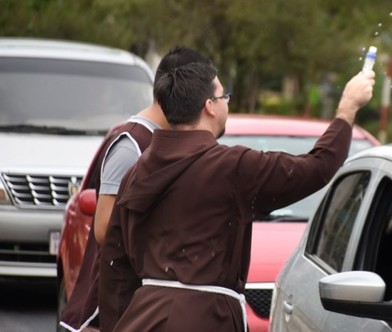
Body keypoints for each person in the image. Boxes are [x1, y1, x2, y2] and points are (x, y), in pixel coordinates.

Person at [98, 48, 375, 331]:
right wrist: (347, 108)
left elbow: (115, 266)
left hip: (140, 319)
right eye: (224, 97)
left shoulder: (137, 171)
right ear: (209, 106)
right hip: (207, 320)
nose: (226, 104)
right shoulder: (232, 167)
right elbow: (318, 167)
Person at [59, 46, 211, 332]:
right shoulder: (131, 143)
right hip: (111, 307)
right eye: (211, 96)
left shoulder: (166, 140)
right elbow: (105, 227)